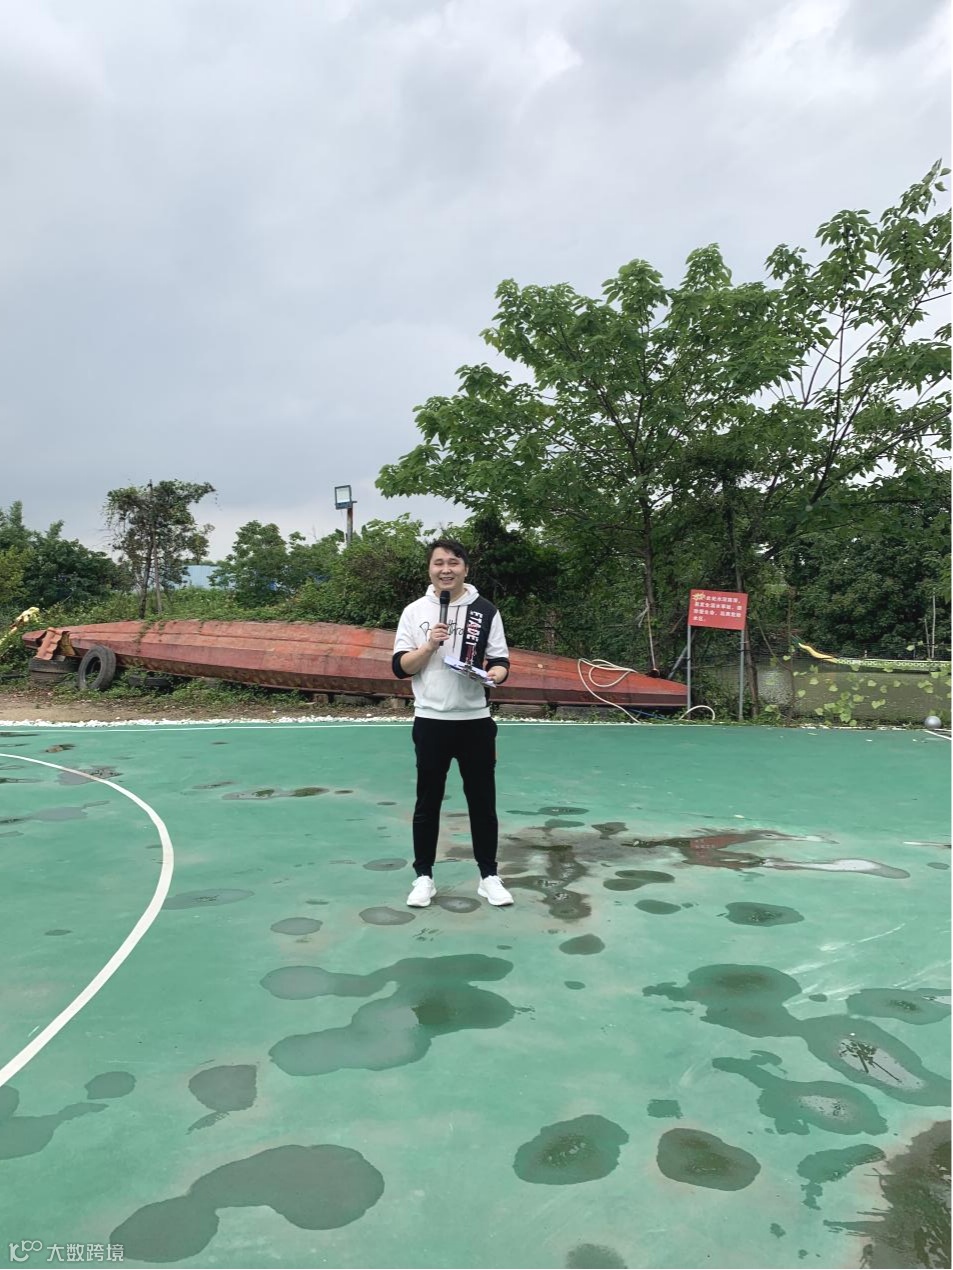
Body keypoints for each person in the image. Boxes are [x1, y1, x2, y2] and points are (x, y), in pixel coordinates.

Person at [392, 538, 514, 907]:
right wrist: (429, 646)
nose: (446, 569)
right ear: (430, 569)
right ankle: (423, 877)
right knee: (427, 801)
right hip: (430, 720)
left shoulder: (485, 611)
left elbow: (501, 662)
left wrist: (494, 674)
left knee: (482, 802)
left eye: (454, 563)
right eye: (439, 563)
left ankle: (489, 876)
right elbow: (400, 667)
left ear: (465, 568)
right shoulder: (414, 611)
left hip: (475, 720)